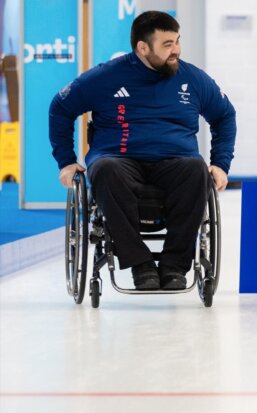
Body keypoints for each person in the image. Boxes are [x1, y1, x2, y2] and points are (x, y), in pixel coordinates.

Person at [49, 11, 236, 290]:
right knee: (104, 169)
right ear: (142, 47)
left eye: (177, 41)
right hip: (119, 159)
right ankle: (140, 264)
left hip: (176, 161)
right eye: (167, 44)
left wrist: (220, 164)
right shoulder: (107, 76)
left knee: (197, 168)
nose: (176, 50)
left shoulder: (193, 79)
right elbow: (61, 107)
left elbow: (224, 115)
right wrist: (66, 161)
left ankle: (174, 266)